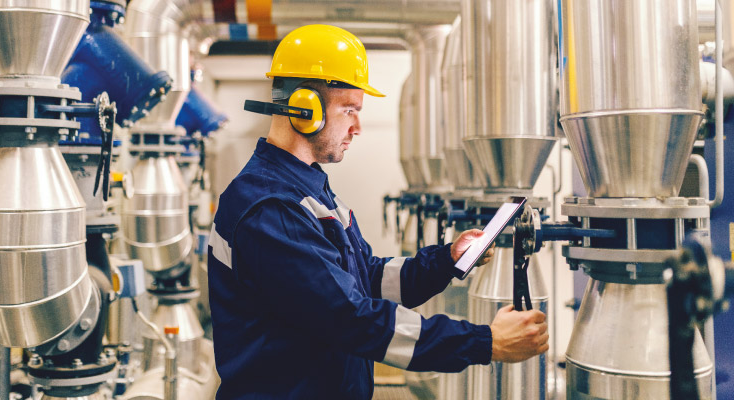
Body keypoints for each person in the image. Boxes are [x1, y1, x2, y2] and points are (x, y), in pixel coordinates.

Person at [208, 24, 548, 399]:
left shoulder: (307, 187)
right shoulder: (271, 207)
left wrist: (445, 260)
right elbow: (349, 319)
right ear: (305, 109)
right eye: (350, 109)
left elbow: (366, 277)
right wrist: (485, 342)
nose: (357, 127)